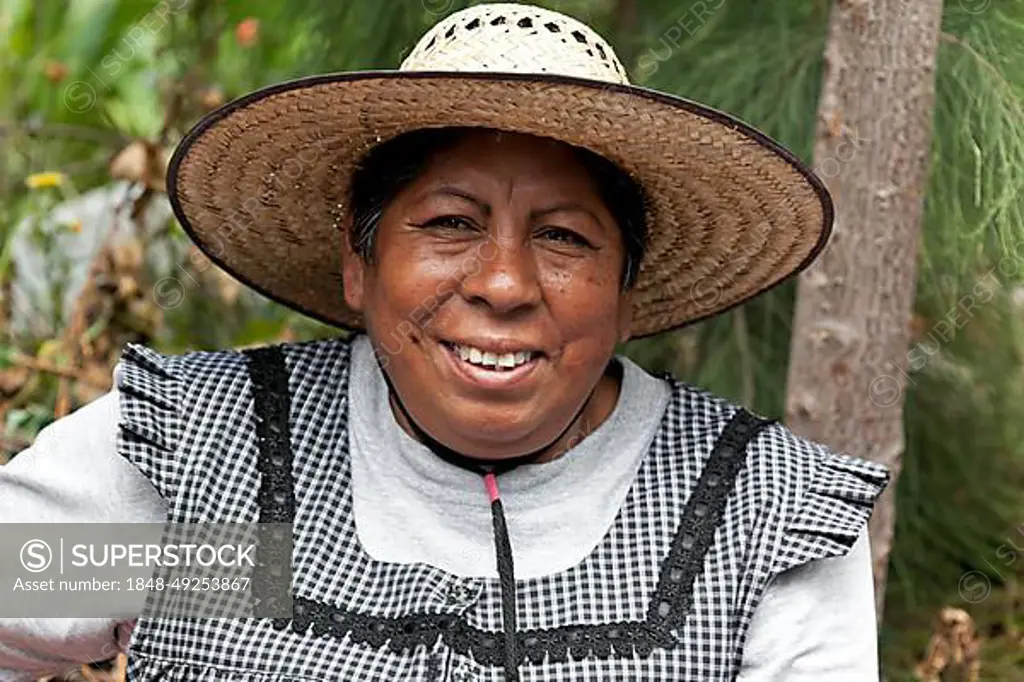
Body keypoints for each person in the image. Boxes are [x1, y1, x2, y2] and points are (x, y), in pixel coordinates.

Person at [0, 3, 889, 681]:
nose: (503, 284)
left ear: (628, 294)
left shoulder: (751, 519)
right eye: (450, 223)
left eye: (564, 238)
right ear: (360, 261)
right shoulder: (223, 480)